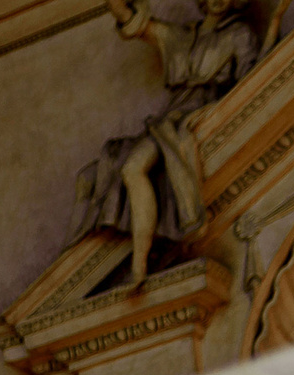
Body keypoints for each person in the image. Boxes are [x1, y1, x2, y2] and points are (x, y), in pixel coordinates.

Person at [78, 0, 263, 293]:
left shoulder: (239, 34)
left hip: (199, 117)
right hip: (169, 121)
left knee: (133, 166)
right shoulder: (180, 36)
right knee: (119, 167)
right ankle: (139, 263)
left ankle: (139, 266)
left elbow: (249, 81)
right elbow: (132, 22)